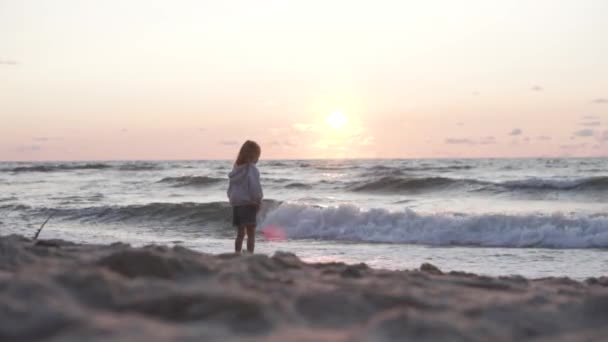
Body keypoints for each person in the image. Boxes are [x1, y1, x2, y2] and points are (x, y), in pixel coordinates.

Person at [227, 140, 263, 253]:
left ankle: (237, 254)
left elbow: (230, 189)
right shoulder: (251, 169)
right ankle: (250, 255)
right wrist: (257, 201)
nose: (258, 159)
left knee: (240, 233)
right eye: (258, 156)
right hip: (248, 204)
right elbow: (254, 187)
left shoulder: (236, 169)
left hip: (237, 205)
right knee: (251, 234)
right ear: (254, 156)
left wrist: (233, 200)